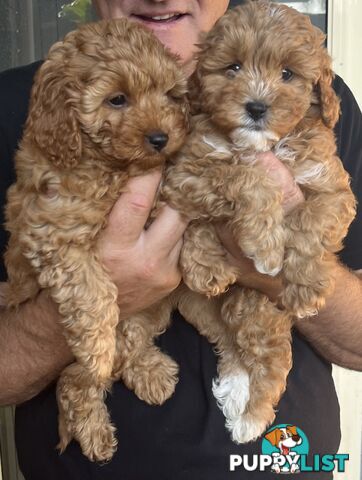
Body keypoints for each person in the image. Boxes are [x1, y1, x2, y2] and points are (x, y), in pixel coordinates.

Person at [0, 1, 361, 479]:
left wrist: (277, 268)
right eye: (231, 68)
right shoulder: (22, 102)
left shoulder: (317, 103)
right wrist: (92, 302)